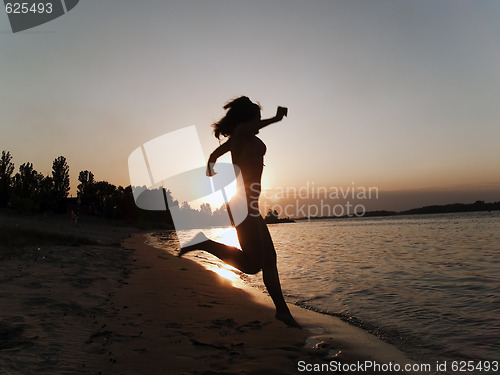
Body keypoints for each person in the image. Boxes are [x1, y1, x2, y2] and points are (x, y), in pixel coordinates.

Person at [179, 96, 300, 328]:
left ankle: (282, 312)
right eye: (257, 117)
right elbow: (242, 133)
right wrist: (275, 118)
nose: (259, 122)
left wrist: (211, 166)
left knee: (269, 260)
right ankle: (204, 243)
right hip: (242, 205)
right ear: (248, 119)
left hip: (250, 206)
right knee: (253, 265)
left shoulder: (243, 138)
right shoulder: (242, 133)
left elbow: (214, 155)